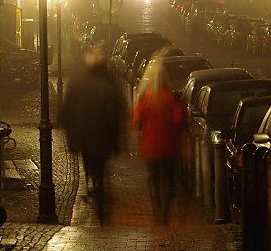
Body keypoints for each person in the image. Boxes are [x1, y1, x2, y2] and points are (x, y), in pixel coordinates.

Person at [62, 49, 126, 223]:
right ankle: (99, 187)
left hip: (84, 136)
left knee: (88, 160)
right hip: (103, 137)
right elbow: (115, 113)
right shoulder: (108, 85)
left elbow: (66, 112)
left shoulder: (76, 84)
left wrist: (70, 131)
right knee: (101, 165)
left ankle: (92, 183)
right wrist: (117, 136)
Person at [132, 54, 188, 225]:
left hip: (151, 146)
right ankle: (165, 211)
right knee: (170, 180)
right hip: (170, 146)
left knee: (154, 179)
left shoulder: (145, 98)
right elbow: (179, 121)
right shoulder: (171, 98)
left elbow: (136, 120)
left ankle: (156, 207)